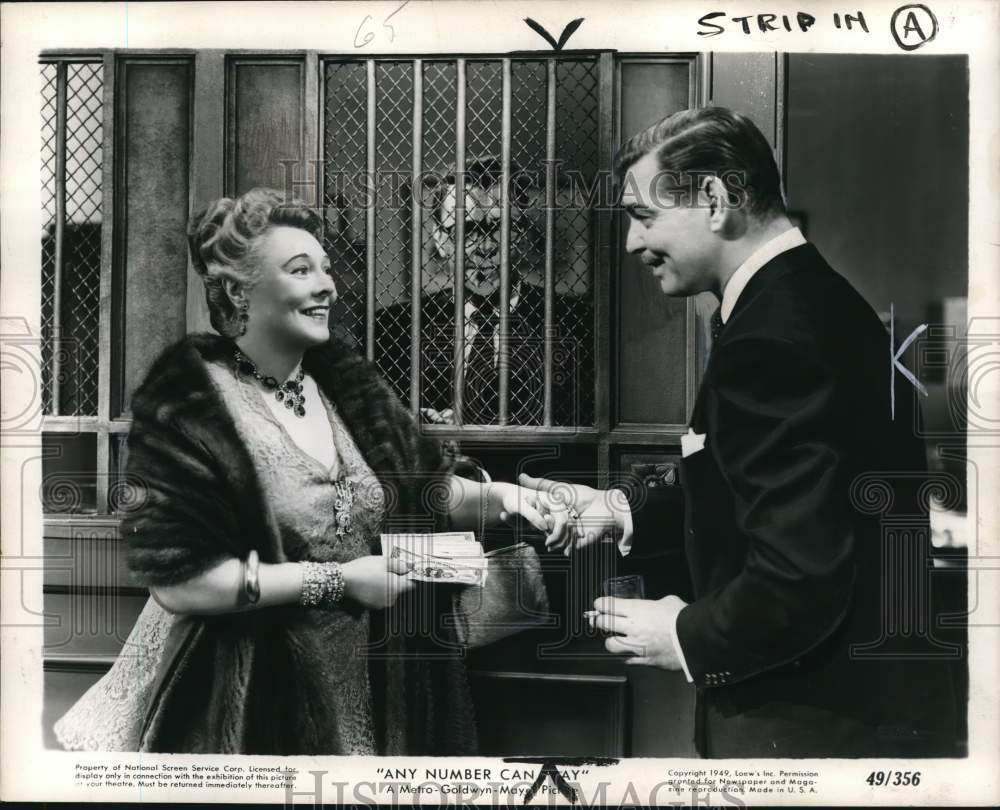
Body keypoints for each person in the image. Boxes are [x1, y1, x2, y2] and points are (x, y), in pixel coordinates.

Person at [522, 106, 959, 757]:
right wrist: (617, 509)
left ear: (716, 200)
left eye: (643, 218)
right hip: (846, 708)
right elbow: (757, 481)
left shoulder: (772, 335)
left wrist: (681, 635)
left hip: (805, 721)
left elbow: (800, 576)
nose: (632, 245)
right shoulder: (811, 302)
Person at [54, 187, 550, 755]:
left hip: (362, 683)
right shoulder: (190, 403)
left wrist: (507, 497)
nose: (327, 286)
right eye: (300, 270)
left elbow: (421, 491)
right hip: (242, 693)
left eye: (327, 269)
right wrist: (339, 580)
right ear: (240, 291)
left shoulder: (345, 386)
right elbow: (181, 582)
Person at [375, 156, 593, 426]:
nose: (486, 247)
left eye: (500, 229)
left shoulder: (578, 324)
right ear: (441, 240)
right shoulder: (392, 329)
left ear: (522, 235)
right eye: (467, 230)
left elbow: (583, 423)